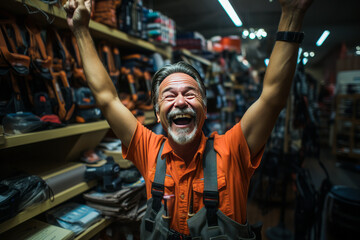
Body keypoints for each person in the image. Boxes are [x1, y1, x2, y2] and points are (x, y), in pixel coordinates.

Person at [64, 0, 313, 239]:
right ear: (158, 112)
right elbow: (107, 99)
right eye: (169, 95)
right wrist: (81, 30)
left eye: (190, 94)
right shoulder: (147, 150)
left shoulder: (234, 150)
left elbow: (272, 98)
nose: (180, 102)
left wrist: (292, 14)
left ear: (204, 108)